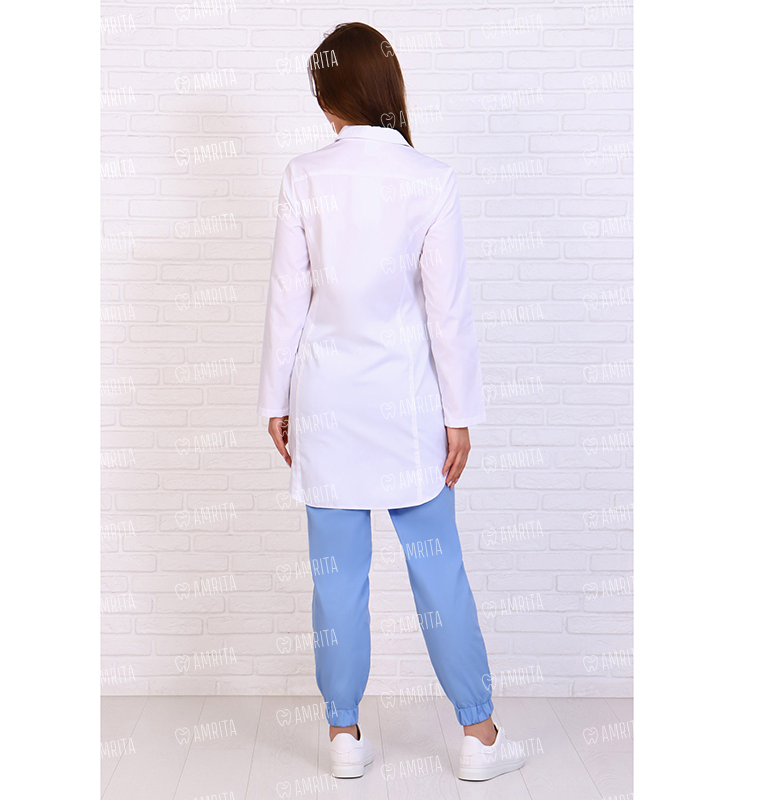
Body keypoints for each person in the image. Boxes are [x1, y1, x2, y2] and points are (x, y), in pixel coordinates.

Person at [257, 22, 525, 782]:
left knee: (336, 580)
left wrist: (275, 398)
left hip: (325, 406)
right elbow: (449, 312)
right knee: (440, 575)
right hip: (409, 409)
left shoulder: (304, 176)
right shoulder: (429, 179)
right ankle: (479, 737)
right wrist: (459, 414)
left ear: (328, 96)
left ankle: (344, 735)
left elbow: (287, 300)